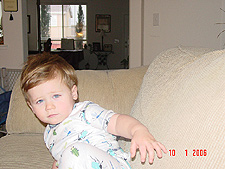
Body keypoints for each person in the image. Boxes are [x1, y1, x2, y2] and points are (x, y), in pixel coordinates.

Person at [20, 53, 167, 169]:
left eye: (56, 96)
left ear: (73, 93)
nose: (49, 106)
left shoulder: (85, 111)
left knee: (73, 151)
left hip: (111, 165)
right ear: (31, 107)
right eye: (40, 101)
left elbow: (115, 122)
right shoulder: (48, 135)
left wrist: (137, 130)